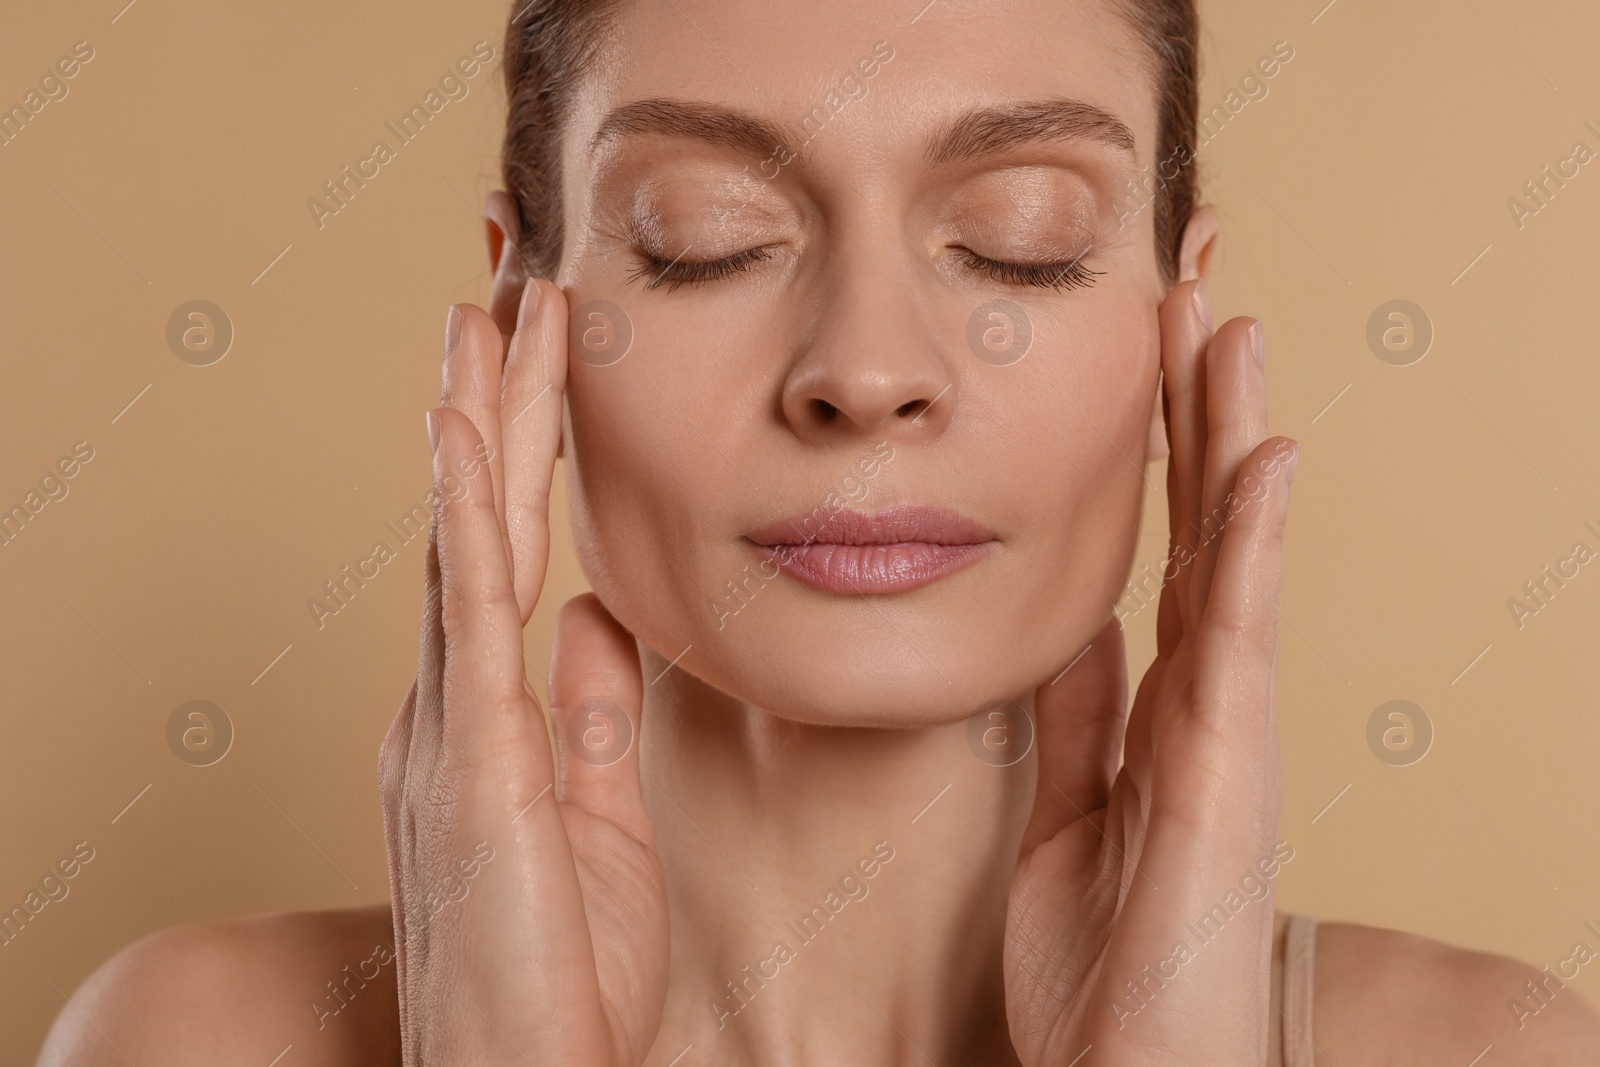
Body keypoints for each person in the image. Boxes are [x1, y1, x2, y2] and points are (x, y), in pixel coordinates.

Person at [38, 0, 1600, 1063]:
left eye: (1021, 246)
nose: (867, 370)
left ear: (1177, 326)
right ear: (525, 315)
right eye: (706, 239)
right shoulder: (195, 1039)